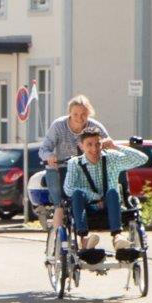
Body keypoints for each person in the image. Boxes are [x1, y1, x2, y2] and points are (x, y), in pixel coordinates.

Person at [63, 129, 146, 251]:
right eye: (89, 145)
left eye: (97, 144)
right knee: (76, 193)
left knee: (112, 191)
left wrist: (115, 146)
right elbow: (68, 189)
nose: (94, 149)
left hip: (110, 204)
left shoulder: (111, 158)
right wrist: (95, 197)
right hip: (87, 207)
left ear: (102, 144)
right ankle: (83, 240)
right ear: (81, 146)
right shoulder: (74, 163)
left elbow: (142, 159)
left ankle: (117, 237)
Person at [38, 95, 110, 229]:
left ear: (89, 114)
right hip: (60, 167)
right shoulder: (59, 126)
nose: (79, 117)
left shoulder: (95, 127)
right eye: (75, 114)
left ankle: (84, 236)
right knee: (60, 204)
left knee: (83, 201)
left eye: (84, 114)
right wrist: (50, 156)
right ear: (69, 113)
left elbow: (108, 143)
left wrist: (104, 146)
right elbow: (44, 149)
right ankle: (58, 240)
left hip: (85, 169)